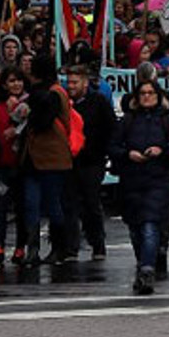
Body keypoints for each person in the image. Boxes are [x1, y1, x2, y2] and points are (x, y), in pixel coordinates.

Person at [109, 79, 169, 294]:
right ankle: (145, 261)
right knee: (135, 229)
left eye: (151, 92)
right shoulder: (127, 122)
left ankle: (147, 270)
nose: (147, 96)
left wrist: (162, 150)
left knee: (150, 225)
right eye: (143, 93)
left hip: (158, 180)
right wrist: (127, 154)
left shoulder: (167, 121)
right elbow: (113, 148)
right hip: (131, 181)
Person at [19, 55, 73, 267]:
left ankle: (59, 248)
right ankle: (33, 249)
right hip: (33, 157)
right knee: (32, 204)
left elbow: (43, 121)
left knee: (53, 204)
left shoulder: (52, 93)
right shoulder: (46, 92)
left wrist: (28, 112)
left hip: (52, 158)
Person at [63, 65, 114, 261]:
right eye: (69, 82)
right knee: (70, 204)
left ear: (85, 83)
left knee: (91, 203)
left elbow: (110, 128)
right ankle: (71, 248)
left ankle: (98, 244)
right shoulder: (65, 103)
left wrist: (105, 152)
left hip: (92, 161)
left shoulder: (98, 102)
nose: (71, 86)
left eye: (75, 82)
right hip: (69, 162)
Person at [0, 67, 28, 264]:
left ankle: (20, 247)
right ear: (4, 85)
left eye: (19, 80)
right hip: (1, 165)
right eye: (11, 81)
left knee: (23, 208)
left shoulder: (29, 105)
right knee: (0, 207)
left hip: (24, 165)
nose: (16, 84)